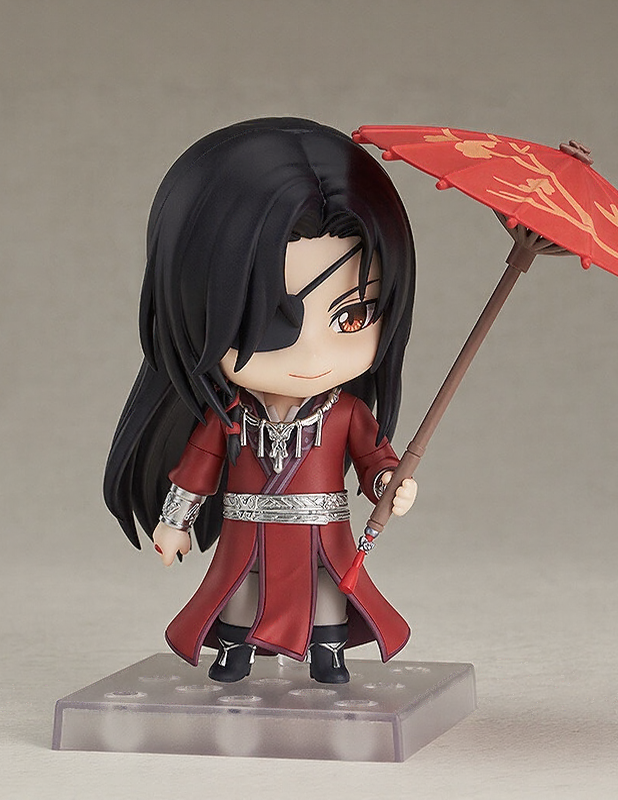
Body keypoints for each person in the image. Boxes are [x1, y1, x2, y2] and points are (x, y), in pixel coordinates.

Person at [104, 118, 417, 684]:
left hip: (322, 528)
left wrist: (388, 483)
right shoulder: (230, 416)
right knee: (239, 587)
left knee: (328, 588)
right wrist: (176, 521)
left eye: (353, 315)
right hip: (249, 525)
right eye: (269, 318)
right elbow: (197, 469)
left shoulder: (344, 412)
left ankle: (328, 653)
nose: (313, 353)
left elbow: (374, 458)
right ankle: (235, 651)